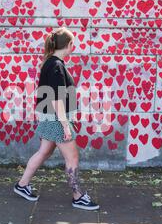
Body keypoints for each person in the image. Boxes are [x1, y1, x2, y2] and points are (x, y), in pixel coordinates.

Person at [14, 27, 100, 211]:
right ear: (68, 45)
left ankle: (22, 185)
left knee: (44, 152)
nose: (73, 47)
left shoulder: (51, 63)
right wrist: (65, 126)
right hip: (56, 118)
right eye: (73, 44)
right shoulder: (56, 66)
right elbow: (57, 98)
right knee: (73, 157)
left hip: (50, 116)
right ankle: (78, 196)